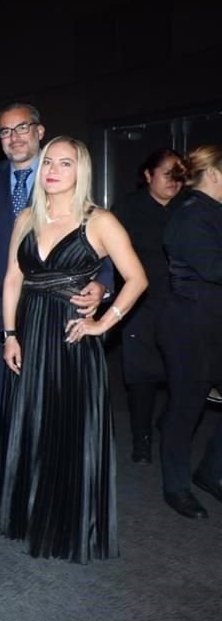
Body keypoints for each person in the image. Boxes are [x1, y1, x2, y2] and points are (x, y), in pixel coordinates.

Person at [0, 136, 147, 563]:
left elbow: (137, 278)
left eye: (65, 163)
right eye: (48, 163)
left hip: (70, 339)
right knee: (31, 426)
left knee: (67, 429)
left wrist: (103, 322)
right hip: (29, 332)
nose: (53, 171)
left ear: (81, 171)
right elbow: (12, 278)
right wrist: (8, 334)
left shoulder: (100, 221)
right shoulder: (26, 217)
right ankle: (29, 516)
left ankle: (68, 523)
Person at [0, 103, 109, 524]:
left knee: (57, 409)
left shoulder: (70, 180)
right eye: (4, 132)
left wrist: (103, 287)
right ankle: (7, 491)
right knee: (4, 406)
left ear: (40, 131)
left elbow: (98, 246)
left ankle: (56, 496)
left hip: (58, 310)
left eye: (22, 129)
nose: (14, 137)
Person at [156, 144, 222, 519]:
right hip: (189, 326)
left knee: (189, 406)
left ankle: (210, 471)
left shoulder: (212, 212)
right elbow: (214, 268)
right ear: (213, 174)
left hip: (212, 321)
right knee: (186, 408)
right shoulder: (191, 215)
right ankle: (176, 488)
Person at [112, 148, 183, 465]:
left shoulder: (189, 207)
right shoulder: (128, 207)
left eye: (180, 174)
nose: (174, 181)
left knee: (185, 374)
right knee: (143, 376)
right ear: (148, 175)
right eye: (168, 173)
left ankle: (166, 424)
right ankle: (142, 440)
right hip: (141, 304)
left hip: (182, 304)